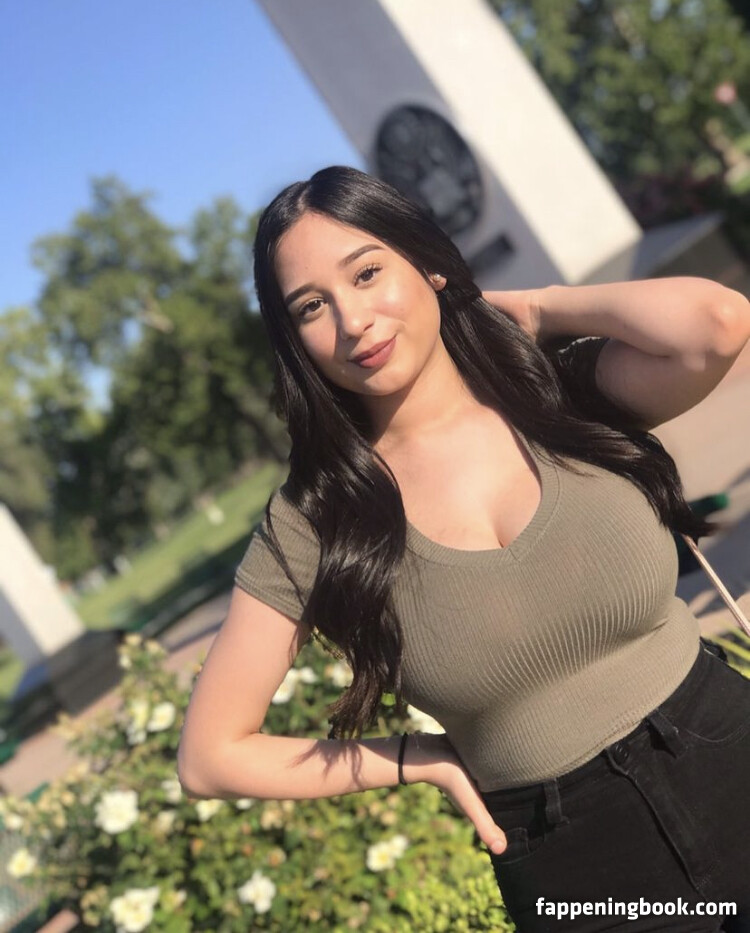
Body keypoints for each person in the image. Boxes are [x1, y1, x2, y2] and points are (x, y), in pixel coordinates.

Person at [177, 165, 750, 931]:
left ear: (430, 263)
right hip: (577, 865)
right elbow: (210, 754)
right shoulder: (317, 518)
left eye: (368, 272)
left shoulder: (552, 391)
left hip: (727, 745)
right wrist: (415, 758)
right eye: (312, 306)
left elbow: (717, 323)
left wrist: (541, 309)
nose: (353, 321)